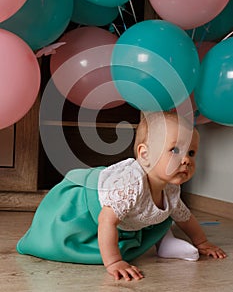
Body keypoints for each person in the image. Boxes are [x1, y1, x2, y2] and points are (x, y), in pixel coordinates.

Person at [17, 112, 226, 281]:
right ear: (145, 155)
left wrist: (202, 242)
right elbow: (106, 221)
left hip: (126, 214)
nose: (186, 160)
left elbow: (184, 217)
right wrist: (114, 261)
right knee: (74, 237)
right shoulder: (131, 184)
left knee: (165, 211)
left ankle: (164, 241)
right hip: (87, 211)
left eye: (191, 153)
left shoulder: (170, 187)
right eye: (175, 150)